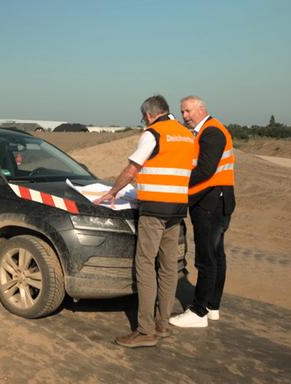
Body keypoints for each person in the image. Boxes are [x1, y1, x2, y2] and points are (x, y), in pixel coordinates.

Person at [93, 95, 195, 348]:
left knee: (145, 264)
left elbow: (132, 169)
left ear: (149, 115)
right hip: (178, 209)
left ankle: (145, 330)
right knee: (169, 266)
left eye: (143, 118)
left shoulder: (154, 134)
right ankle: (162, 324)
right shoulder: (186, 135)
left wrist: (113, 191)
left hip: (154, 210)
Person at [169, 95, 236, 328]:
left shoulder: (211, 132)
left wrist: (178, 182)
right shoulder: (206, 131)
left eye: (187, 111)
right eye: (182, 112)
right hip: (215, 201)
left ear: (200, 109)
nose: (184, 116)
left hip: (210, 203)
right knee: (216, 256)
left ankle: (198, 312)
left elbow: (205, 171)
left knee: (206, 259)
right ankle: (212, 306)